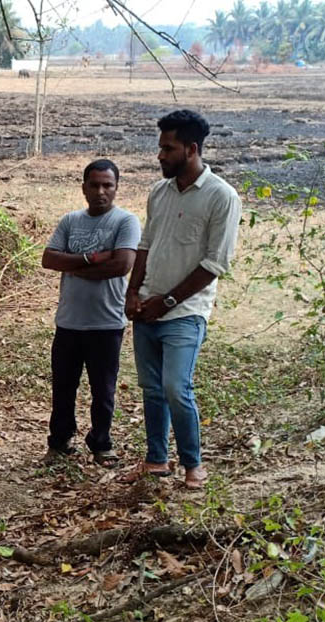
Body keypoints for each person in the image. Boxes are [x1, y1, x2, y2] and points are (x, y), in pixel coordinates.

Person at [123, 109, 241, 490]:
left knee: (177, 387)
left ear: (192, 149)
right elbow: (145, 245)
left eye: (167, 149)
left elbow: (214, 264)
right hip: (147, 308)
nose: (159, 156)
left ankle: (193, 464)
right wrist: (132, 291)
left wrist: (168, 302)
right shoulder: (159, 192)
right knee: (152, 389)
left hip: (186, 312)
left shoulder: (221, 197)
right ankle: (157, 459)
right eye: (160, 147)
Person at [41, 159, 141, 466]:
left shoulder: (126, 222)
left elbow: (121, 265)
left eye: (107, 185)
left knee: (103, 390)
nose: (101, 191)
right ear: (84, 187)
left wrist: (73, 262)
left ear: (116, 188)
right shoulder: (71, 221)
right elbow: (48, 259)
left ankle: (101, 442)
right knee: (63, 388)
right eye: (94, 185)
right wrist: (93, 257)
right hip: (69, 321)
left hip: (107, 322)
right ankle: (59, 442)